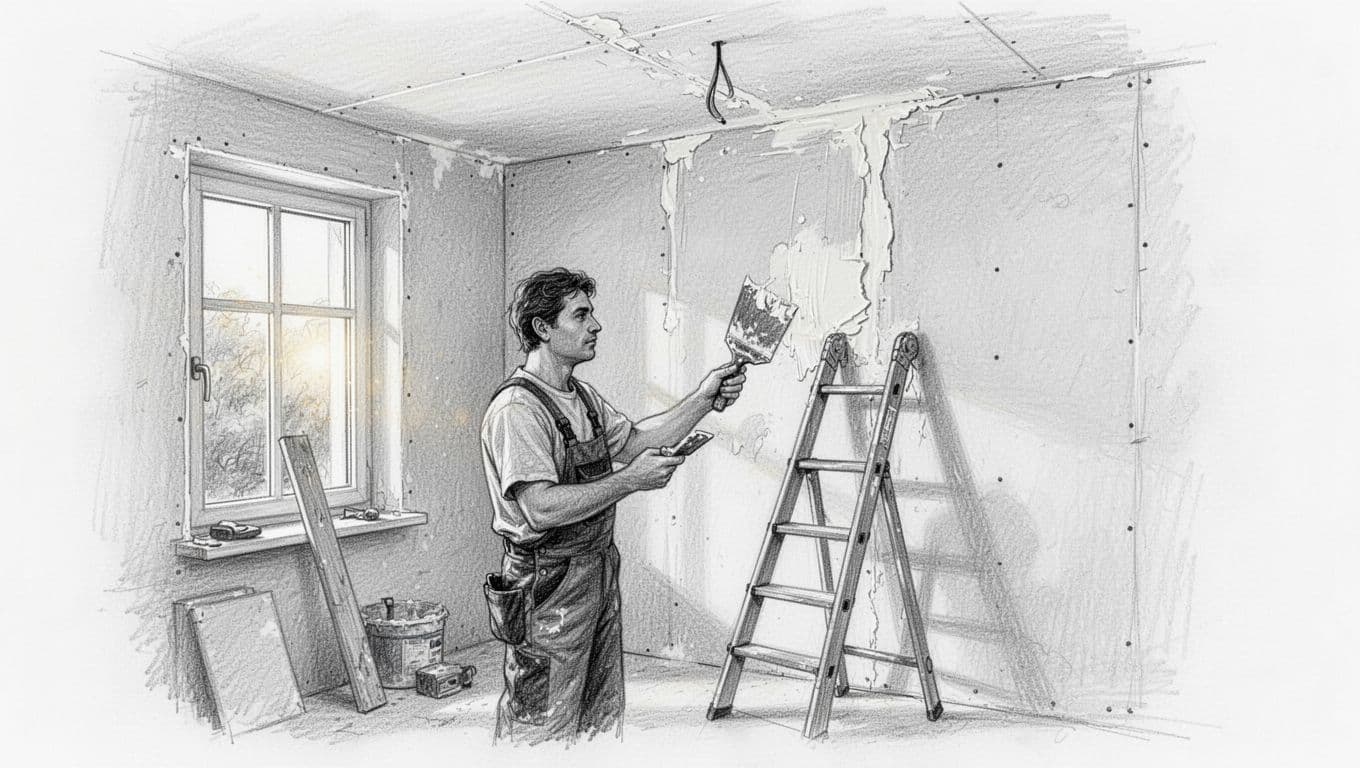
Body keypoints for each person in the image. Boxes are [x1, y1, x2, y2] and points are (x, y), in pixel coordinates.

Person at [480, 267, 745, 744]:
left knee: (600, 711)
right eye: (581, 315)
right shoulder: (518, 410)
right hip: (548, 584)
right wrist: (630, 482)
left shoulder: (580, 397)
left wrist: (703, 399)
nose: (595, 325)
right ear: (543, 328)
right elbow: (540, 508)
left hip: (597, 570)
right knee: (541, 719)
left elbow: (640, 441)